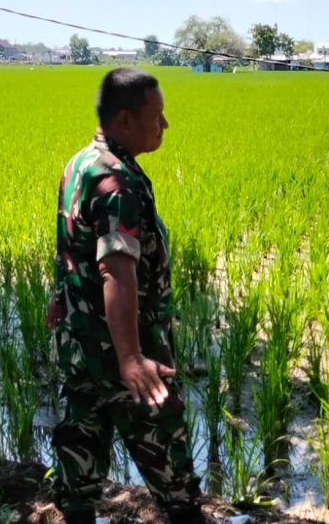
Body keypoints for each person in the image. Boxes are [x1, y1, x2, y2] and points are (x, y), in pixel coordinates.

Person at [45, 68, 203, 524]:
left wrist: (59, 296)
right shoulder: (118, 183)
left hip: (81, 343)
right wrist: (132, 358)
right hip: (120, 347)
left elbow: (71, 243)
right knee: (165, 444)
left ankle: (76, 513)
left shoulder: (80, 163)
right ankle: (184, 513)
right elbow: (116, 268)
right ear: (126, 120)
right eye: (157, 115)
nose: (165, 124)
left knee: (82, 439)